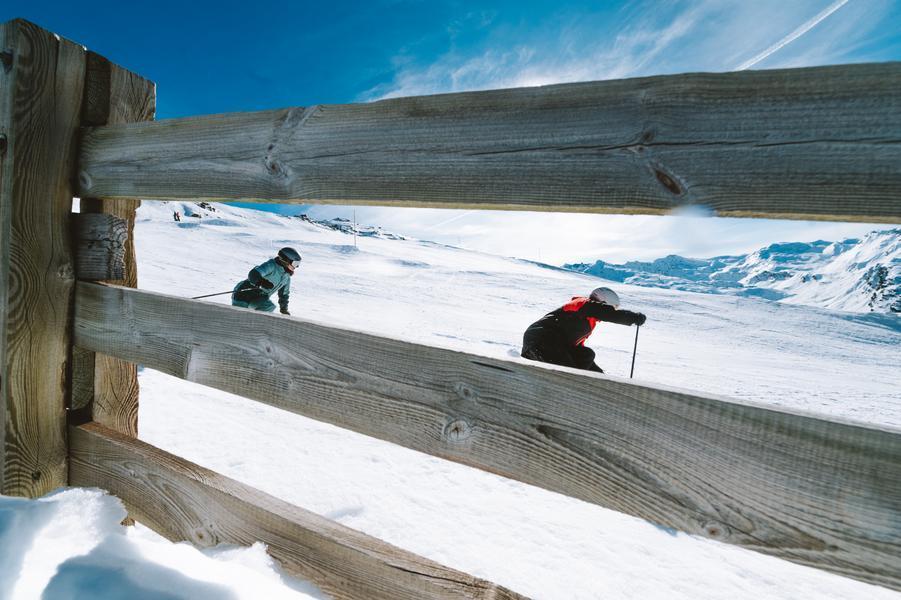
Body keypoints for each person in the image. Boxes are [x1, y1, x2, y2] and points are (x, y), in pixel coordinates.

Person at [521, 287, 645, 373]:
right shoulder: (581, 303)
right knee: (570, 370)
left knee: (586, 355)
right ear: (603, 302)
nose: (611, 311)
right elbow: (602, 311)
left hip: (555, 346)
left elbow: (577, 349)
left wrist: (598, 375)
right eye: (611, 307)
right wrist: (631, 317)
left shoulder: (590, 321)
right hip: (541, 338)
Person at [231, 247, 301, 315]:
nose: (296, 267)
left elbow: (284, 294)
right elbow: (253, 273)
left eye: (297, 264)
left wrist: (284, 309)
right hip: (245, 293)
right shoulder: (271, 265)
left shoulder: (286, 277)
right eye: (295, 263)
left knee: (268, 307)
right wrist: (262, 282)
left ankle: (257, 324)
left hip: (260, 297)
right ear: (286, 260)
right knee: (240, 314)